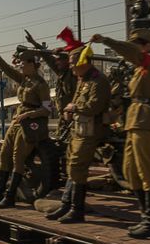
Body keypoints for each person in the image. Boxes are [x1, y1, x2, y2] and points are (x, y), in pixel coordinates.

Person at [91, 27, 150, 239]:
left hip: (148, 120)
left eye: (137, 44)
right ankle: (145, 216)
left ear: (147, 46)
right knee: (130, 172)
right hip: (135, 121)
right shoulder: (140, 67)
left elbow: (133, 54)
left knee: (147, 174)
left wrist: (106, 39)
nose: (133, 48)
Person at [0, 43, 52, 209]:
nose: (20, 66)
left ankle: (10, 196)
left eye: (23, 63)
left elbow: (47, 109)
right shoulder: (24, 80)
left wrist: (29, 114)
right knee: (4, 154)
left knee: (17, 158)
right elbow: (6, 69)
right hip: (17, 121)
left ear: (32, 64)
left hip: (29, 124)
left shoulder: (41, 84)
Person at [47, 46, 111, 223]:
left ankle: (77, 209)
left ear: (84, 63)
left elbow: (95, 106)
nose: (72, 68)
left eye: (74, 64)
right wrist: (70, 111)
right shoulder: (83, 80)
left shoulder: (99, 81)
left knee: (77, 167)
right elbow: (75, 100)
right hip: (79, 130)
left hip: (91, 132)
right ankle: (67, 205)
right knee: (71, 167)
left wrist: (74, 108)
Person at [25, 32, 77, 140]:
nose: (56, 62)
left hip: (74, 119)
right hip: (64, 119)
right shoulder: (62, 72)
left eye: (59, 60)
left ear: (67, 61)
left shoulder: (74, 74)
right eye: (56, 60)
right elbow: (47, 57)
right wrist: (34, 43)